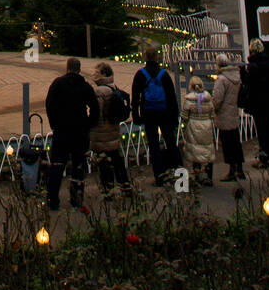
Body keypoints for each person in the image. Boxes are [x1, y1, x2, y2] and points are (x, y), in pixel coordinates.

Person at [44, 56, 99, 211]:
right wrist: (88, 124)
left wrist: (54, 123)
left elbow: (50, 105)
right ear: (79, 69)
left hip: (62, 130)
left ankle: (52, 199)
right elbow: (95, 109)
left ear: (67, 68)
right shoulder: (85, 87)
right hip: (80, 132)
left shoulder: (58, 84)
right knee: (78, 165)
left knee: (57, 165)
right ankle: (76, 198)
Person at [131, 45, 181, 185]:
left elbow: (135, 96)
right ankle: (180, 175)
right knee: (171, 142)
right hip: (164, 112)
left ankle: (159, 177)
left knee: (154, 145)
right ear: (157, 57)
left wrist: (136, 114)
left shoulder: (141, 74)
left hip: (149, 113)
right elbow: (172, 96)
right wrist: (174, 116)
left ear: (145, 57)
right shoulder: (163, 74)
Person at [90, 61, 131, 194]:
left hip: (101, 131)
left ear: (103, 74)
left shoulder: (99, 92)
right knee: (115, 156)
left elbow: (96, 112)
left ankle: (108, 187)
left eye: (96, 73)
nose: (93, 75)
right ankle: (124, 183)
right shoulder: (114, 88)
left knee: (103, 159)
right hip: (113, 129)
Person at [241, 38, 269, 168]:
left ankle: (263, 157)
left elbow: (249, 83)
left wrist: (242, 73)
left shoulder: (253, 66)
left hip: (258, 102)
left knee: (261, 130)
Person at [211, 53, 245, 181]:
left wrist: (213, 108)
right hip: (233, 111)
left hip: (224, 113)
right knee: (236, 141)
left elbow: (217, 98)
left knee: (227, 142)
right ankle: (240, 168)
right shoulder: (236, 77)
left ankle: (232, 170)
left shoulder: (221, 79)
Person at [181, 75, 216, 186]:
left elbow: (185, 116)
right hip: (206, 125)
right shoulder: (208, 98)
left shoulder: (189, 100)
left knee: (194, 150)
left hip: (194, 126)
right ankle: (209, 176)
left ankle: (197, 175)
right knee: (208, 150)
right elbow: (212, 113)